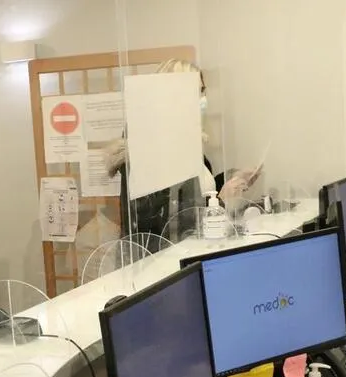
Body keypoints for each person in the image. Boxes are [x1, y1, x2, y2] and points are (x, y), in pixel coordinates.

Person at [105, 59, 259, 242]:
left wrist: (233, 178)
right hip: (164, 255)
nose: (203, 100)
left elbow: (197, 192)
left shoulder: (184, 141)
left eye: (202, 91)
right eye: (195, 92)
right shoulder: (151, 147)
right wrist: (221, 202)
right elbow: (169, 225)